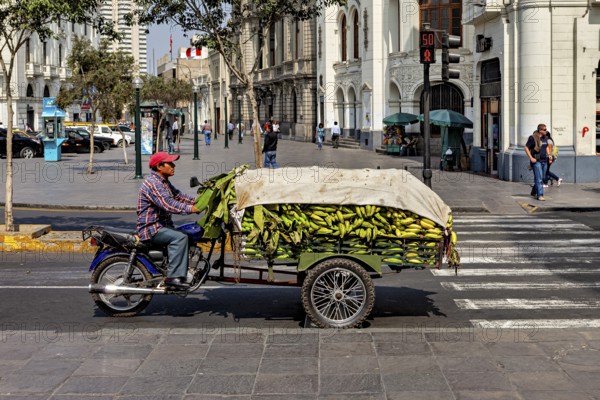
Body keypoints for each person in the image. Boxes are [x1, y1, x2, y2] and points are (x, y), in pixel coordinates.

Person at [137, 152, 199, 290]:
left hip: (162, 226)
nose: (173, 165)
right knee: (180, 238)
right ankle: (173, 277)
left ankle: (178, 267)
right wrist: (192, 209)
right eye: (170, 163)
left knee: (188, 232)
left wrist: (200, 201)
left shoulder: (163, 182)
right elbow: (169, 203)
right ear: (159, 166)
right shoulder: (154, 183)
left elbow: (178, 196)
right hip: (152, 228)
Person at [524, 124, 551, 201]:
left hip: (544, 161)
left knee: (541, 178)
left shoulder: (545, 138)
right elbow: (526, 148)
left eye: (546, 129)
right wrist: (531, 158)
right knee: (539, 178)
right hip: (536, 161)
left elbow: (546, 147)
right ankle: (540, 195)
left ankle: (533, 191)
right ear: (540, 130)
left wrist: (549, 155)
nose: (546, 131)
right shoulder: (533, 138)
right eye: (544, 130)